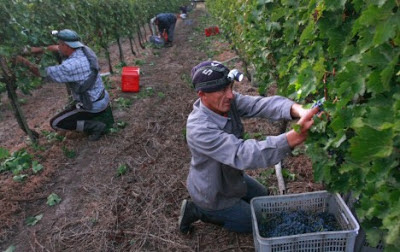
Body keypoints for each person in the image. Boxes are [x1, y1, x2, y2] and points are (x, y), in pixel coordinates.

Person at [178, 61, 320, 234]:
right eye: (223, 90)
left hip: (232, 177)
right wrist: (294, 137)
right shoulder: (199, 129)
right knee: (258, 224)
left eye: (230, 87)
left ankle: (234, 203)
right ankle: (198, 210)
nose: (230, 95)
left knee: (265, 199)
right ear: (202, 95)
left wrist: (300, 110)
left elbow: (260, 105)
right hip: (213, 193)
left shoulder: (225, 101)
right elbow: (243, 154)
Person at [15, 29, 114, 141]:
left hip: (92, 105)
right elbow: (55, 48)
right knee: (69, 112)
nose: (58, 46)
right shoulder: (84, 50)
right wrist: (33, 50)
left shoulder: (71, 66)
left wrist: (23, 61)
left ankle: (95, 127)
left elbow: (41, 72)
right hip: (101, 97)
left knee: (56, 123)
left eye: (60, 44)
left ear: (66, 46)